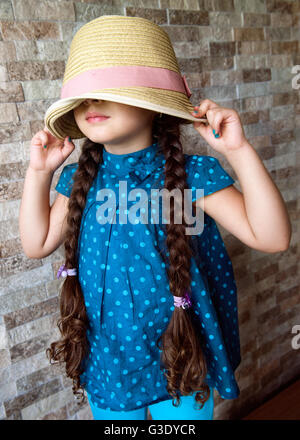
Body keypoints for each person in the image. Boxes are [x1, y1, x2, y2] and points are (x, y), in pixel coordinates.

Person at [19, 15, 291, 420]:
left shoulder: (191, 175)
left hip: (181, 355)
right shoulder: (80, 178)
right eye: (84, 96)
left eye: (109, 91)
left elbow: (272, 238)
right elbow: (36, 243)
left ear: (154, 102)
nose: (92, 102)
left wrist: (238, 150)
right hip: (111, 361)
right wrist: (39, 173)